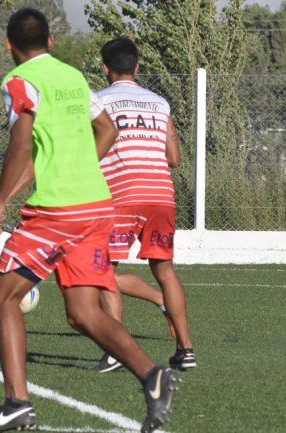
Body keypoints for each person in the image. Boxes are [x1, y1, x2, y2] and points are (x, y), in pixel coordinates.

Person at [0, 9, 179, 433]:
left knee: (3, 298)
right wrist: (82, 166)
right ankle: (153, 375)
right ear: (50, 42)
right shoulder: (72, 77)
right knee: (82, 312)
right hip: (98, 206)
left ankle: (16, 404)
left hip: (57, 211)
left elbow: (20, 143)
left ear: (8, 45)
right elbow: (107, 129)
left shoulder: (19, 82)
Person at [93, 37, 196, 373]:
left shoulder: (97, 100)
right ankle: (186, 349)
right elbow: (175, 158)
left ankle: (115, 352)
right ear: (136, 67)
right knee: (165, 271)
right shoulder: (159, 102)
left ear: (105, 68)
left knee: (104, 271)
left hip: (120, 194)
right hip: (160, 195)